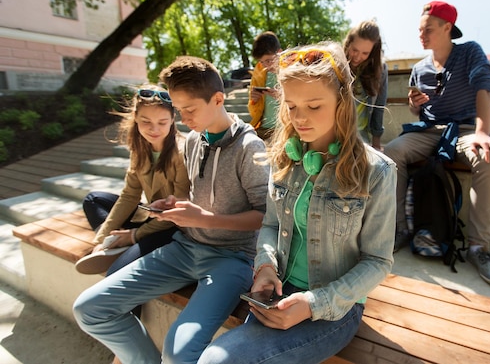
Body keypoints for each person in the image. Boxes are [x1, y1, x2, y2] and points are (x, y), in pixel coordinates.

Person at [197, 42, 397, 364]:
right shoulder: (285, 159)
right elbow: (271, 225)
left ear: (342, 102)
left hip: (335, 307)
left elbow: (377, 261)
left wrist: (314, 304)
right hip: (278, 293)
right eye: (291, 106)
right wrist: (264, 266)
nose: (300, 118)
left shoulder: (377, 172)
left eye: (314, 106)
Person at [73, 56, 270, 364]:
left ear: (218, 99)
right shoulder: (192, 140)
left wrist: (205, 218)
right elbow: (196, 197)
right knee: (89, 309)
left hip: (231, 260)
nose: (183, 117)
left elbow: (265, 217)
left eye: (189, 109)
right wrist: (175, 205)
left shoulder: (249, 148)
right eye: (179, 110)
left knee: (178, 354)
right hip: (184, 248)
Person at [384, 1, 490, 288]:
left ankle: (479, 247)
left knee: (488, 156)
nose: (421, 35)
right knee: (391, 153)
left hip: (465, 129)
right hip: (429, 130)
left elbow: (484, 90)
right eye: (419, 30)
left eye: (427, 29)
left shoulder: (470, 52)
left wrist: (482, 132)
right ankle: (402, 230)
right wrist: (414, 106)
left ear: (447, 28)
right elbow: (417, 112)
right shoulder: (419, 68)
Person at [77, 85, 190, 276]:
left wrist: (134, 235)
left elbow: (178, 211)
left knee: (116, 272)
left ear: (172, 120)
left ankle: (127, 246)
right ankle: (115, 245)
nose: (154, 129)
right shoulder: (140, 149)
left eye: (162, 122)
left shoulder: (182, 152)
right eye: (146, 121)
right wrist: (102, 239)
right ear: (136, 117)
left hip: (172, 227)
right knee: (93, 200)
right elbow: (129, 195)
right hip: (148, 216)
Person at [342, 20, 388, 150]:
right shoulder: (337, 66)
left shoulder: (380, 70)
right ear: (348, 44)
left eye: (365, 53)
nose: (357, 57)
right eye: (354, 50)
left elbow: (379, 107)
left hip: (362, 139)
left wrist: (377, 143)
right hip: (337, 136)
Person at [248, 31, 283, 140]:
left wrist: (282, 97)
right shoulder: (259, 72)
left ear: (280, 52)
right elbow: (253, 111)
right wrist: (254, 100)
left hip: (284, 129)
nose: (266, 65)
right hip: (263, 128)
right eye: (262, 62)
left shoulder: (291, 70)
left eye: (269, 60)